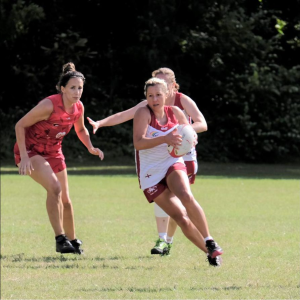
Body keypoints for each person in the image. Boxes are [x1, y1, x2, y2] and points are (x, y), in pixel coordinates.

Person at [87, 68, 214, 262]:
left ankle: (174, 239)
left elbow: (201, 124)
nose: (155, 93)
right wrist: (100, 123)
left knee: (183, 200)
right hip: (153, 162)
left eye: (161, 85)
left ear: (171, 86)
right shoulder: (146, 107)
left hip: (182, 156)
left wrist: (186, 133)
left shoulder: (181, 103)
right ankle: (165, 239)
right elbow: (123, 116)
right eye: (152, 90)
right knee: (172, 204)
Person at [14, 62, 104, 254]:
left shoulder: (78, 107)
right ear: (62, 89)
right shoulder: (49, 105)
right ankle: (60, 239)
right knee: (54, 188)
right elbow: (20, 125)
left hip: (54, 152)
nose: (77, 91)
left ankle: (72, 240)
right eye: (72, 87)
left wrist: (90, 147)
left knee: (66, 200)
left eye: (80, 88)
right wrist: (24, 156)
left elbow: (80, 129)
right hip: (31, 151)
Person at [133, 77, 223, 264]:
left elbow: (188, 133)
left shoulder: (175, 111)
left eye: (158, 94)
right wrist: (165, 138)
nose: (154, 99)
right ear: (146, 97)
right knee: (181, 218)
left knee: (186, 195)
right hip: (150, 174)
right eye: (150, 96)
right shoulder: (143, 113)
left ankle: (210, 240)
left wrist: (192, 139)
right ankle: (209, 253)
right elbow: (139, 143)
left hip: (171, 162)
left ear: (166, 94)